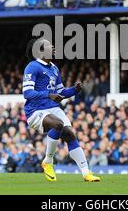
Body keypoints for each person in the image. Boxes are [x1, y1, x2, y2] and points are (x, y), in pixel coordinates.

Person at [22, 38, 101, 182]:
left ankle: (86, 173)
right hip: (35, 110)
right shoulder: (32, 67)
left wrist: (74, 90)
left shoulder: (54, 68)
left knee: (70, 134)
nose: (53, 48)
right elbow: (27, 93)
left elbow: (61, 92)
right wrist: (48, 95)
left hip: (53, 108)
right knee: (58, 124)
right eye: (49, 46)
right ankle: (48, 161)